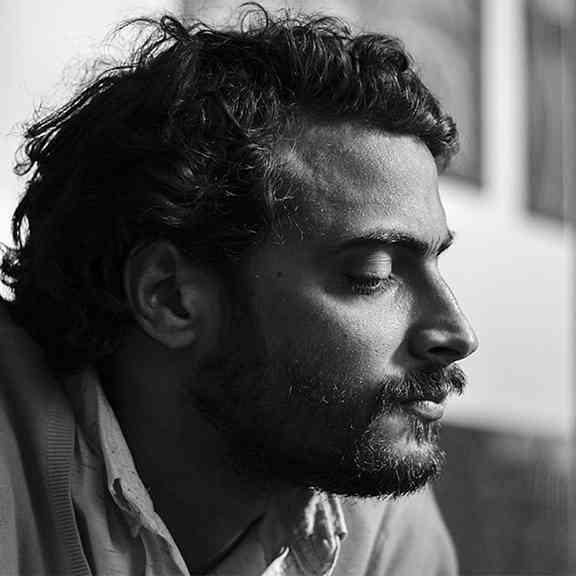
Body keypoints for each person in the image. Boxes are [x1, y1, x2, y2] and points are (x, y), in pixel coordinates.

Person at [0, 7, 478, 576]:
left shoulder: (372, 497)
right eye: (372, 275)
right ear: (171, 297)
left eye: (436, 261)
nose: (458, 333)